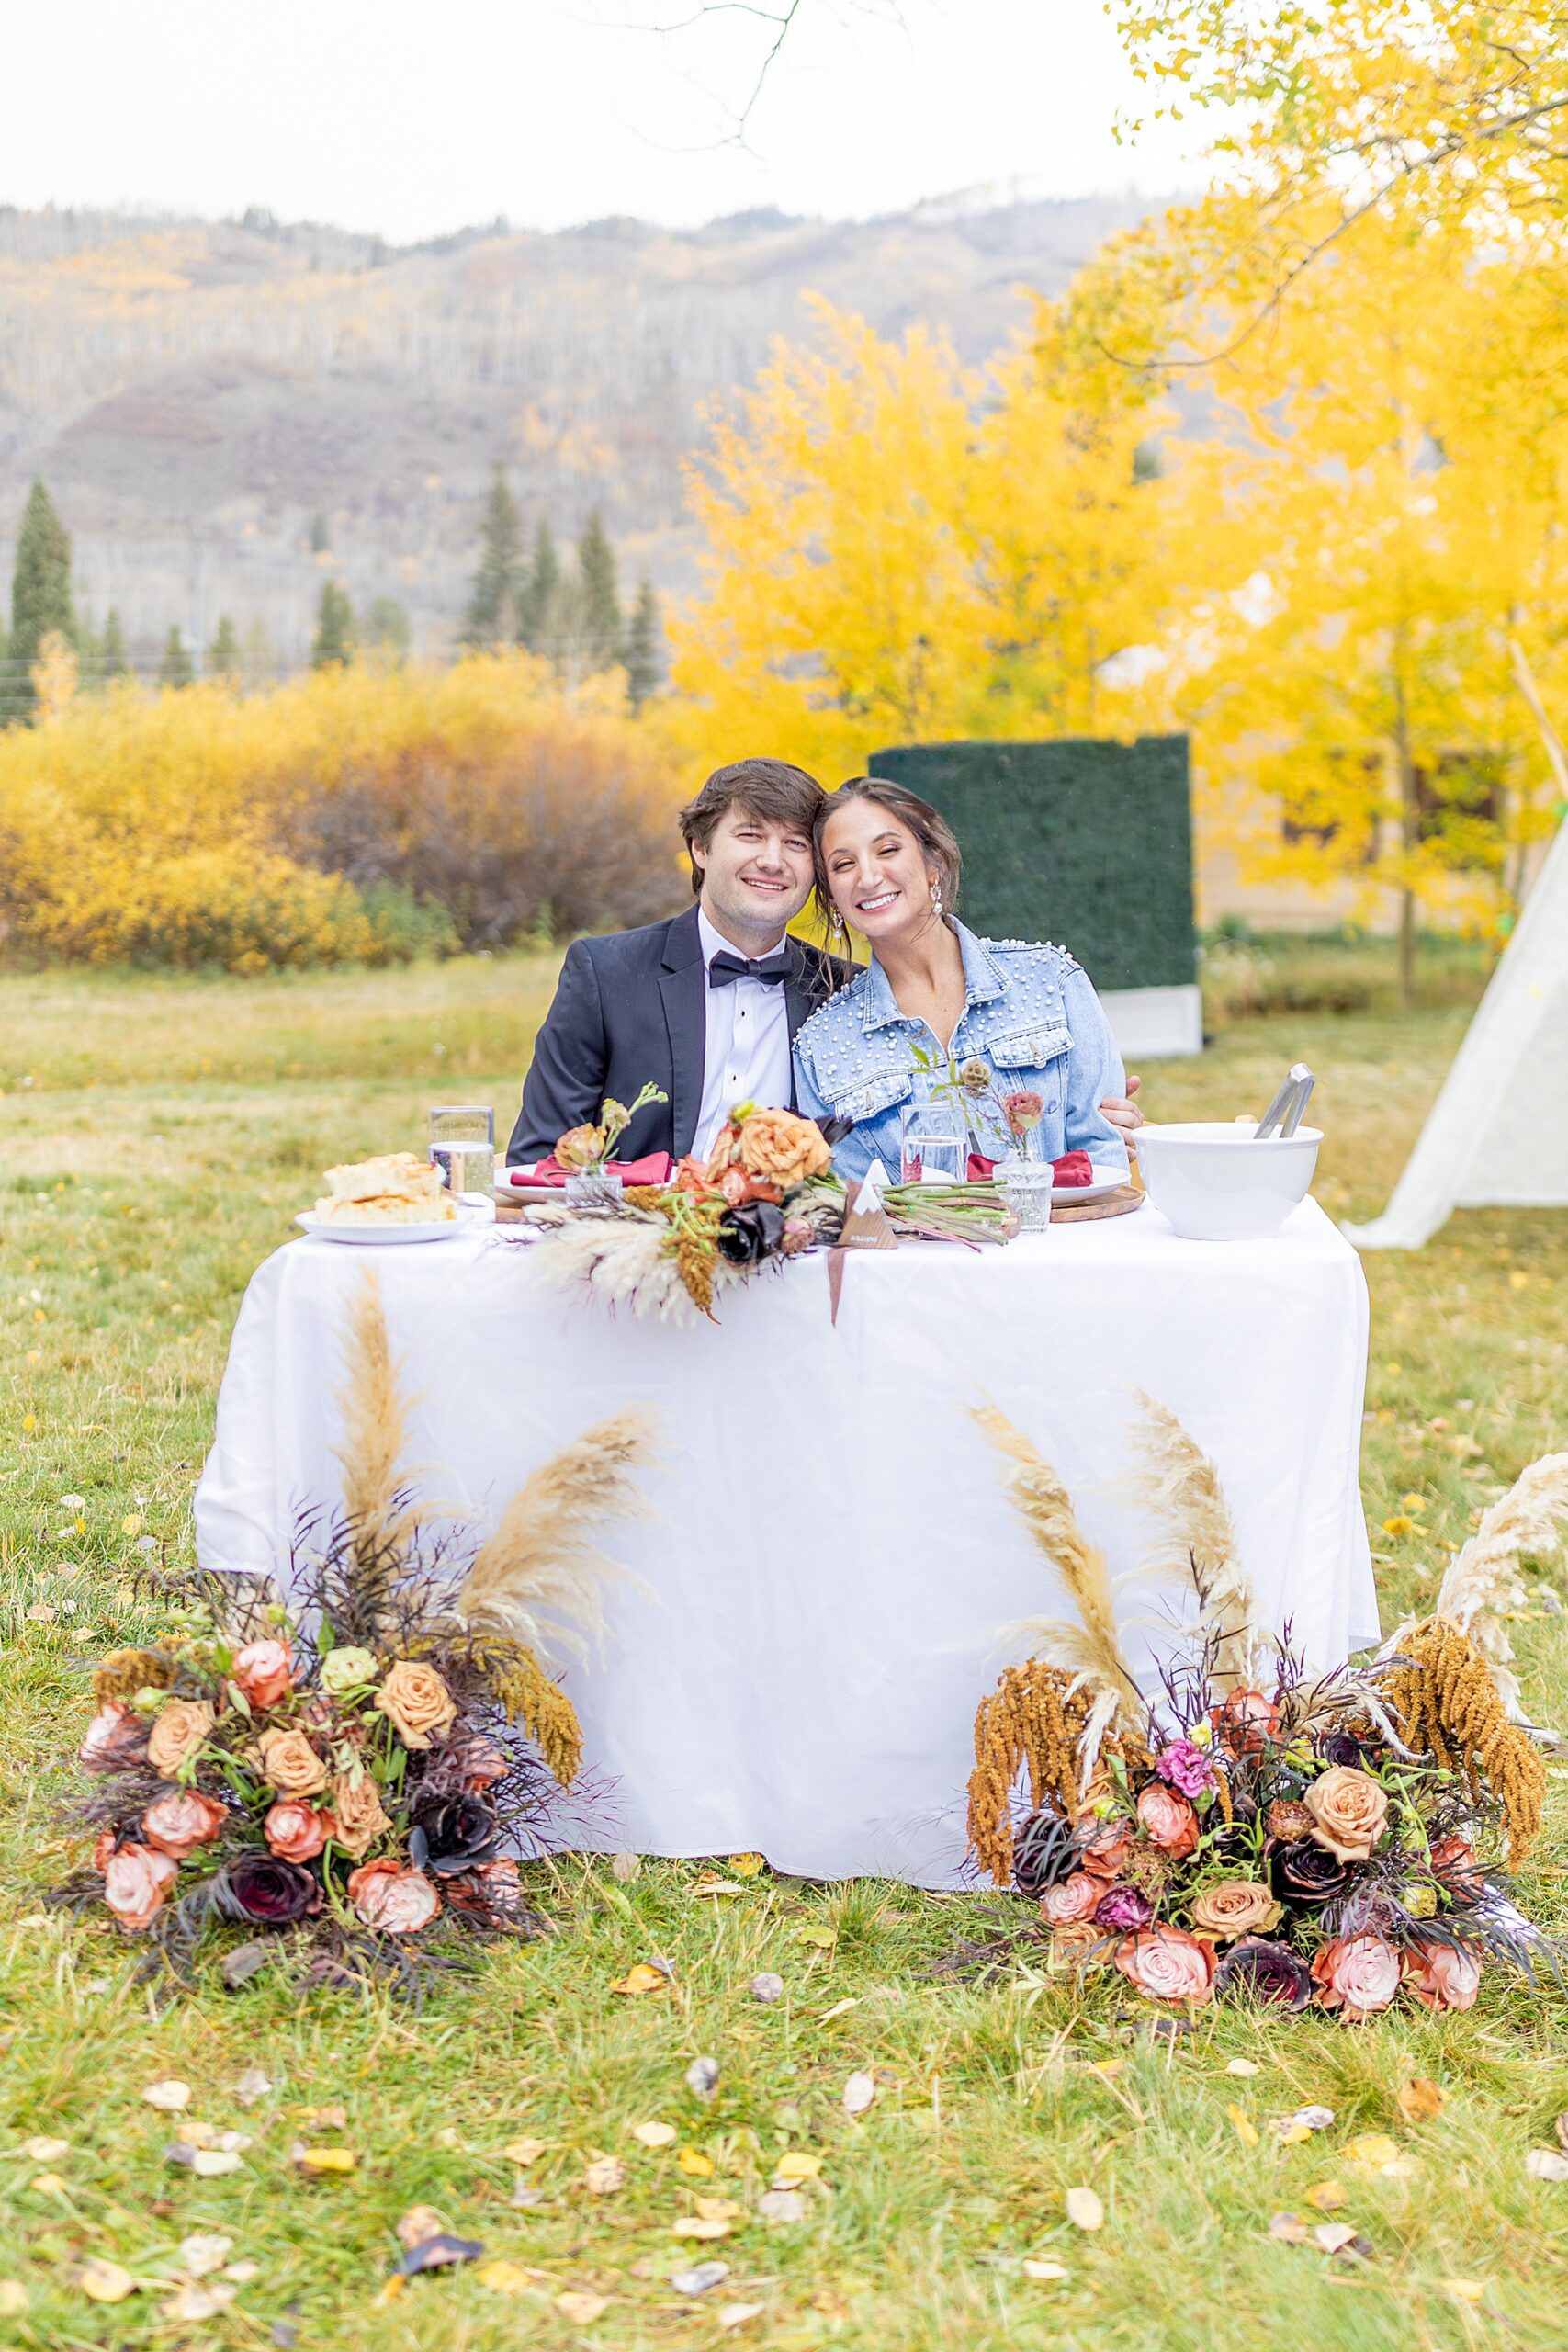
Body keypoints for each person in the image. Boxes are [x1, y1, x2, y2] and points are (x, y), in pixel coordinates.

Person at [794, 776, 1139, 1184]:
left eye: (888, 850)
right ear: (832, 895)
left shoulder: (1051, 981)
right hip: (920, 1249)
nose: (867, 877)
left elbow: (1102, 1158)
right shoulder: (822, 1047)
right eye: (843, 864)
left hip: (1065, 1242)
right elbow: (854, 1204)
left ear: (933, 863)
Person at [508, 758, 848, 1166]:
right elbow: (538, 1159)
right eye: (751, 836)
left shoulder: (841, 990)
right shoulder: (605, 975)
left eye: (796, 843)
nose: (773, 861)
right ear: (700, 848)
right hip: (634, 1224)